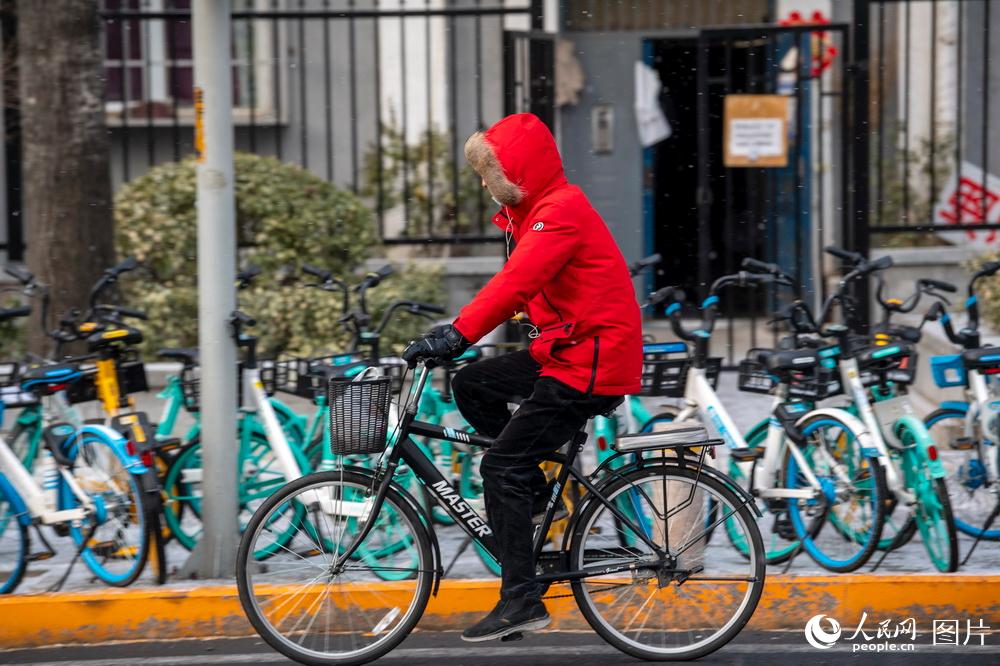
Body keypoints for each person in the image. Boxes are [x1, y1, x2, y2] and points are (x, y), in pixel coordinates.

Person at [402, 112, 642, 642]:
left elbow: (517, 282)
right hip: (566, 348)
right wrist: (463, 340)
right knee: (473, 385)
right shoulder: (533, 212)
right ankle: (531, 494)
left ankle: (521, 600)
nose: (485, 185)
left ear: (518, 171)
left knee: (499, 467)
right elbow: (522, 289)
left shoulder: (558, 213)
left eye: (490, 173)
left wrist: (456, 335)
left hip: (592, 359)